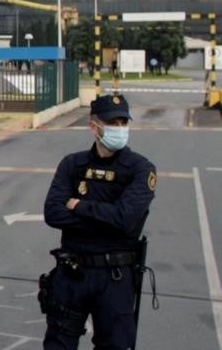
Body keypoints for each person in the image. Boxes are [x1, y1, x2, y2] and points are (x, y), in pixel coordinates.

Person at [41, 94, 156, 349]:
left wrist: (79, 206)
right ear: (94, 126)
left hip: (115, 278)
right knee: (58, 344)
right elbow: (53, 213)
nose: (119, 128)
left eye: (123, 122)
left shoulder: (140, 169)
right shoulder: (72, 164)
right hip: (72, 272)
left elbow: (125, 219)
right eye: (112, 123)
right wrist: (108, 218)